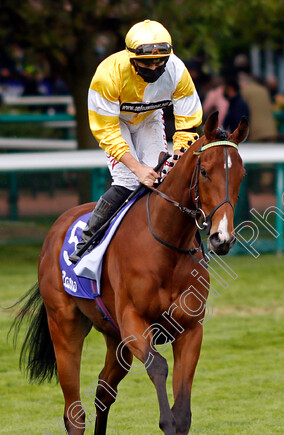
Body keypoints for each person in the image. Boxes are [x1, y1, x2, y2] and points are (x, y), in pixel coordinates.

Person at [68, 19, 202, 263]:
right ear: (131, 57)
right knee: (130, 179)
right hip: (115, 122)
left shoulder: (177, 71)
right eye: (145, 63)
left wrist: (179, 156)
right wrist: (137, 167)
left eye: (160, 62)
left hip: (150, 118)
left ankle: (192, 246)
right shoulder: (107, 75)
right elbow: (106, 132)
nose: (153, 68)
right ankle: (86, 241)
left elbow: (188, 122)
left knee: (162, 180)